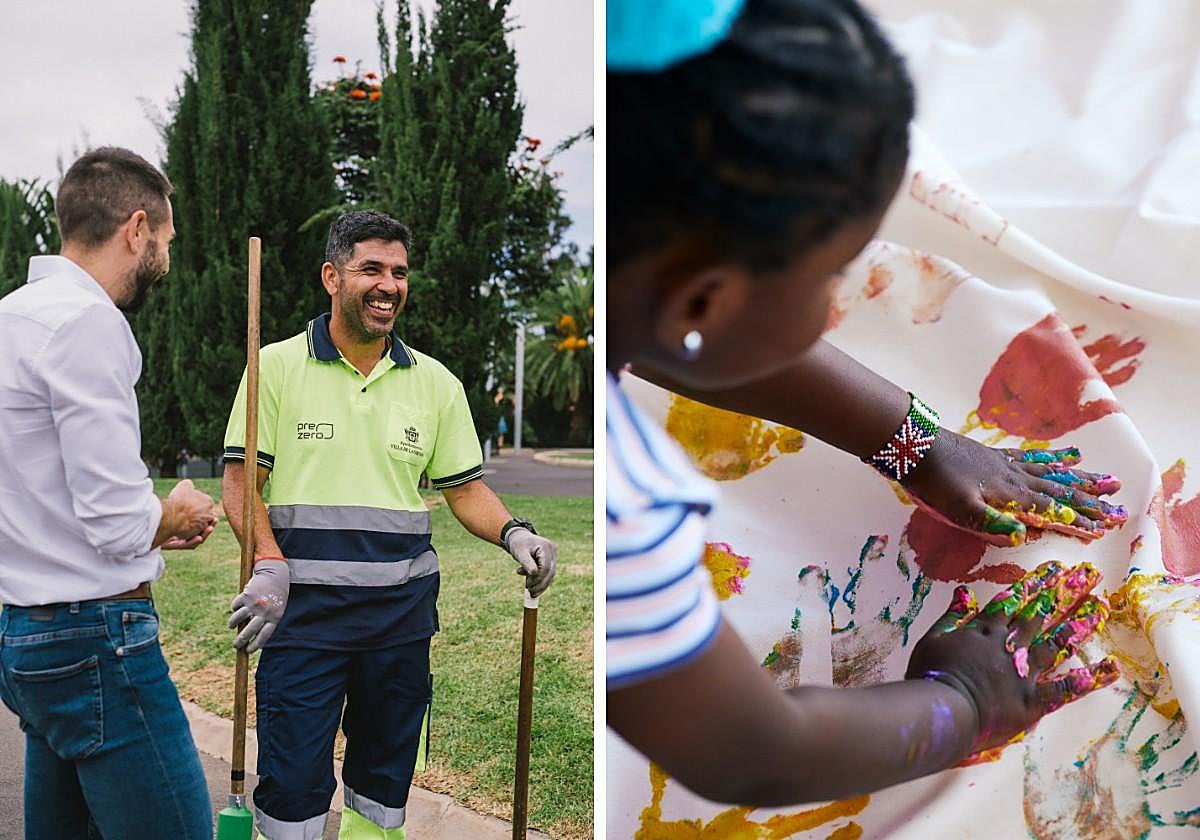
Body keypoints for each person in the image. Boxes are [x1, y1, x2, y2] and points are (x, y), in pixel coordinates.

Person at [607, 0, 1123, 805]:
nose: (840, 297)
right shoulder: (623, 515)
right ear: (701, 301)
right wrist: (968, 702)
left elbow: (659, 329)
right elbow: (748, 750)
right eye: (827, 277)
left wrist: (910, 440)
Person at [221, 209, 558, 839]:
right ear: (332, 276)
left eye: (399, 272)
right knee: (292, 786)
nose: (388, 285)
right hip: (302, 619)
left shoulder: (435, 383)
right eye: (371, 268)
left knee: (381, 787)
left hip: (399, 623)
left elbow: (466, 489)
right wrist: (267, 562)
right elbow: (241, 484)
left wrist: (517, 533)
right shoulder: (274, 368)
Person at [0, 147, 218, 839]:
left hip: (22, 633)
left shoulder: (11, 318)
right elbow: (118, 521)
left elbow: (44, 487)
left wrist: (150, 523)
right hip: (97, 643)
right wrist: (174, 511)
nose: (167, 257)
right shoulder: (89, 323)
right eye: (167, 240)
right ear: (135, 228)